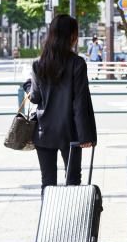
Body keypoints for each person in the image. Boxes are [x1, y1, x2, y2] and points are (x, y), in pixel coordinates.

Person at [23, 14, 97, 192]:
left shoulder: (38, 64)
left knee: (47, 183)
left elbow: (35, 98)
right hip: (70, 134)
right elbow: (80, 102)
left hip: (44, 131)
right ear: (71, 36)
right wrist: (85, 136)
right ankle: (71, 219)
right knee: (73, 180)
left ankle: (48, 219)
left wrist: (27, 85)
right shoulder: (77, 64)